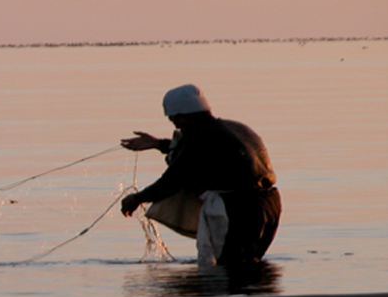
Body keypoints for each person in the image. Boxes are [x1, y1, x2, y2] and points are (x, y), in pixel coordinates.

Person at [120, 84, 281, 266]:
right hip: (270, 203)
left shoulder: (199, 138)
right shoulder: (235, 128)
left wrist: (137, 198)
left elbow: (172, 182)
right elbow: (207, 151)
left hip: (238, 208)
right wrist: (158, 144)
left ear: (182, 117)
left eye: (175, 121)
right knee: (249, 265)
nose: (175, 125)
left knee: (228, 267)